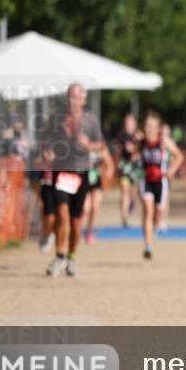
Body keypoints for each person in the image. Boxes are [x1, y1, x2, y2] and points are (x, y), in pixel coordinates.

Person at [41, 83, 105, 278]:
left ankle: (72, 257)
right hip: (62, 172)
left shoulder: (91, 121)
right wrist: (47, 153)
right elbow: (45, 141)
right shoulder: (56, 119)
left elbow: (101, 145)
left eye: (77, 96)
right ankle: (59, 256)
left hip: (81, 173)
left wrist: (89, 145)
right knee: (62, 214)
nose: (73, 100)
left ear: (84, 100)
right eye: (70, 96)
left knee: (76, 222)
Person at [139, 112, 184, 259]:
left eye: (152, 126)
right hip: (145, 180)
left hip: (161, 182)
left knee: (157, 214)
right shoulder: (140, 141)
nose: (149, 129)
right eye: (146, 126)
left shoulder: (164, 141)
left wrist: (172, 169)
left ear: (158, 128)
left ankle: (155, 226)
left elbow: (179, 156)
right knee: (147, 210)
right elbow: (128, 153)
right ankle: (148, 246)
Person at [82, 143, 114, 245]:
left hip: (97, 180)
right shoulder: (82, 143)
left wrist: (109, 171)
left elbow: (110, 164)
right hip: (84, 180)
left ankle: (89, 232)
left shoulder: (102, 147)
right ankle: (77, 227)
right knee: (85, 209)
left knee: (94, 208)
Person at [116, 114, 142, 228]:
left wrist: (135, 151)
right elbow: (118, 150)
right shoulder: (121, 136)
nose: (128, 125)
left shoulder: (139, 136)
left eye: (130, 123)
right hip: (125, 167)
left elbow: (143, 150)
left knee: (135, 193)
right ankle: (124, 217)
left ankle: (133, 203)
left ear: (134, 124)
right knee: (124, 191)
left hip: (135, 168)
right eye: (126, 123)